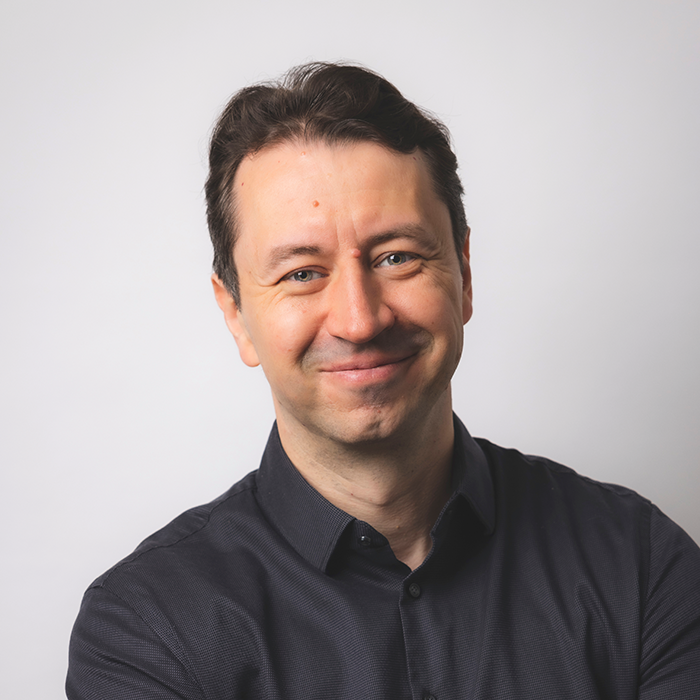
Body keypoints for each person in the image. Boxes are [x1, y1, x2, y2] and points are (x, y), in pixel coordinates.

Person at [66, 62, 700, 699]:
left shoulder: (642, 567)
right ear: (235, 313)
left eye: (397, 257)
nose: (360, 320)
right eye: (301, 273)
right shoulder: (147, 631)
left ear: (464, 274)